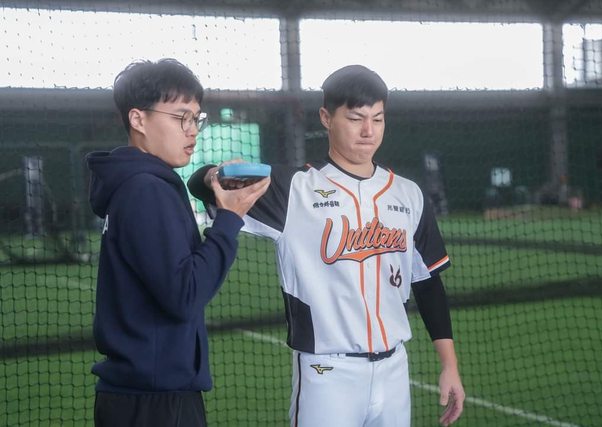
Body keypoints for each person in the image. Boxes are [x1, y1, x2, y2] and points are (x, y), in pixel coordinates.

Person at [188, 64, 464, 426]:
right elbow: (200, 185)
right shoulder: (294, 188)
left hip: (395, 370)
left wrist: (449, 365)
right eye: (355, 118)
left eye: (378, 119)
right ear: (326, 118)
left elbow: (427, 284)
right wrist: (216, 174)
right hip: (326, 374)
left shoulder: (408, 194)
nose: (368, 131)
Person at [86, 58, 270, 427]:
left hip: (144, 395)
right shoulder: (146, 189)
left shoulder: (143, 184)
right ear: (138, 120)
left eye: (196, 119)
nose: (192, 131)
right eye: (180, 118)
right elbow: (184, 294)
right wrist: (229, 219)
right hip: (154, 404)